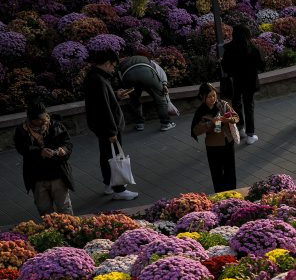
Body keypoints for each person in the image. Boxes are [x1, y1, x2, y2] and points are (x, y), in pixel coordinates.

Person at [84, 49, 138, 201]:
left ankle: (108, 184)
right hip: (108, 127)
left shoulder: (94, 77)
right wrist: (111, 131)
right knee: (115, 158)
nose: (113, 69)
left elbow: (103, 101)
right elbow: (104, 108)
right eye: (113, 65)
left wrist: (116, 95)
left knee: (107, 155)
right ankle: (119, 189)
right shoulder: (98, 80)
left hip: (103, 127)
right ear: (107, 63)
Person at [14, 98, 74, 216]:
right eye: (38, 119)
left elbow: (68, 143)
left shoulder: (56, 125)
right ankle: (52, 232)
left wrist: (64, 150)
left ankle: (69, 232)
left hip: (58, 174)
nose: (42, 121)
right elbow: (22, 149)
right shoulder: (22, 131)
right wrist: (39, 152)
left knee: (64, 208)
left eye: (43, 117)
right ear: (31, 119)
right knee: (45, 211)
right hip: (37, 177)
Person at [190, 82, 240, 193]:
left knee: (230, 171)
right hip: (213, 146)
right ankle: (220, 196)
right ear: (203, 97)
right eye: (209, 97)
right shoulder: (201, 112)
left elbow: (236, 117)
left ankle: (233, 194)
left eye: (214, 95)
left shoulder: (223, 105)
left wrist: (229, 120)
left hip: (228, 142)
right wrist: (211, 123)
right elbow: (196, 130)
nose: (212, 98)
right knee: (217, 174)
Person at [221, 25, 265, 144]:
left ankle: (241, 129)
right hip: (250, 80)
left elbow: (225, 66)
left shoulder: (229, 48)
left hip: (236, 81)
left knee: (236, 104)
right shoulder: (253, 48)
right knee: (248, 106)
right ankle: (251, 135)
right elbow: (262, 65)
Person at [118, 54, 177, 132]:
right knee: (160, 99)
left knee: (134, 100)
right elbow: (160, 71)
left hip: (128, 76)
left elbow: (121, 78)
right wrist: (164, 84)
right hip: (147, 74)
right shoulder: (146, 59)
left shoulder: (122, 64)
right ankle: (166, 123)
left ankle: (139, 124)